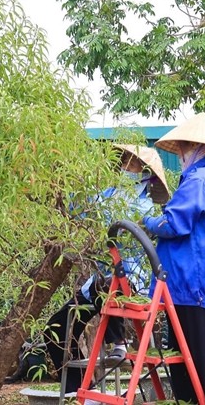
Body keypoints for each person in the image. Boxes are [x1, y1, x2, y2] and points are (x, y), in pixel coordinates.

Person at [43, 144, 170, 395]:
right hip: (102, 283)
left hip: (130, 283)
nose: (124, 167)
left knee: (109, 286)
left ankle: (119, 342)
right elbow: (81, 210)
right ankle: (79, 390)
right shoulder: (109, 193)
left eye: (130, 164)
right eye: (122, 162)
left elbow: (107, 216)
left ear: (144, 172)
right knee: (55, 329)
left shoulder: (143, 207)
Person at [141, 112, 205, 405]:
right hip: (202, 287)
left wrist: (147, 221)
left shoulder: (199, 179)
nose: (183, 153)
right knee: (200, 371)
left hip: (193, 288)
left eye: (185, 146)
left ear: (199, 147)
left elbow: (173, 224)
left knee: (192, 376)